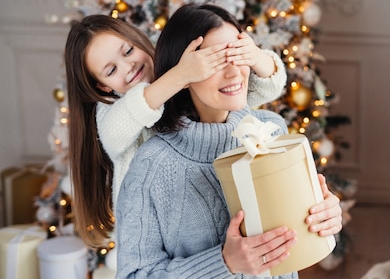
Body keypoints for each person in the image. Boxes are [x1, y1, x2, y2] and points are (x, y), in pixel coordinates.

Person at [113, 3, 343, 279]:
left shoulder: (271, 130)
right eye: (217, 61)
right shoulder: (153, 169)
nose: (234, 72)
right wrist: (224, 262)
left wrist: (326, 214)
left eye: (238, 55)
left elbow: (295, 241)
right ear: (185, 74)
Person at [65, 13, 287, 248]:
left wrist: (255, 57)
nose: (128, 66)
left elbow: (265, 87)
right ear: (102, 86)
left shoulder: (184, 79)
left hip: (199, 217)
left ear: (138, 39)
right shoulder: (113, 109)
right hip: (151, 232)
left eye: (128, 51)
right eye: (111, 71)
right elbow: (119, 126)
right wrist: (181, 75)